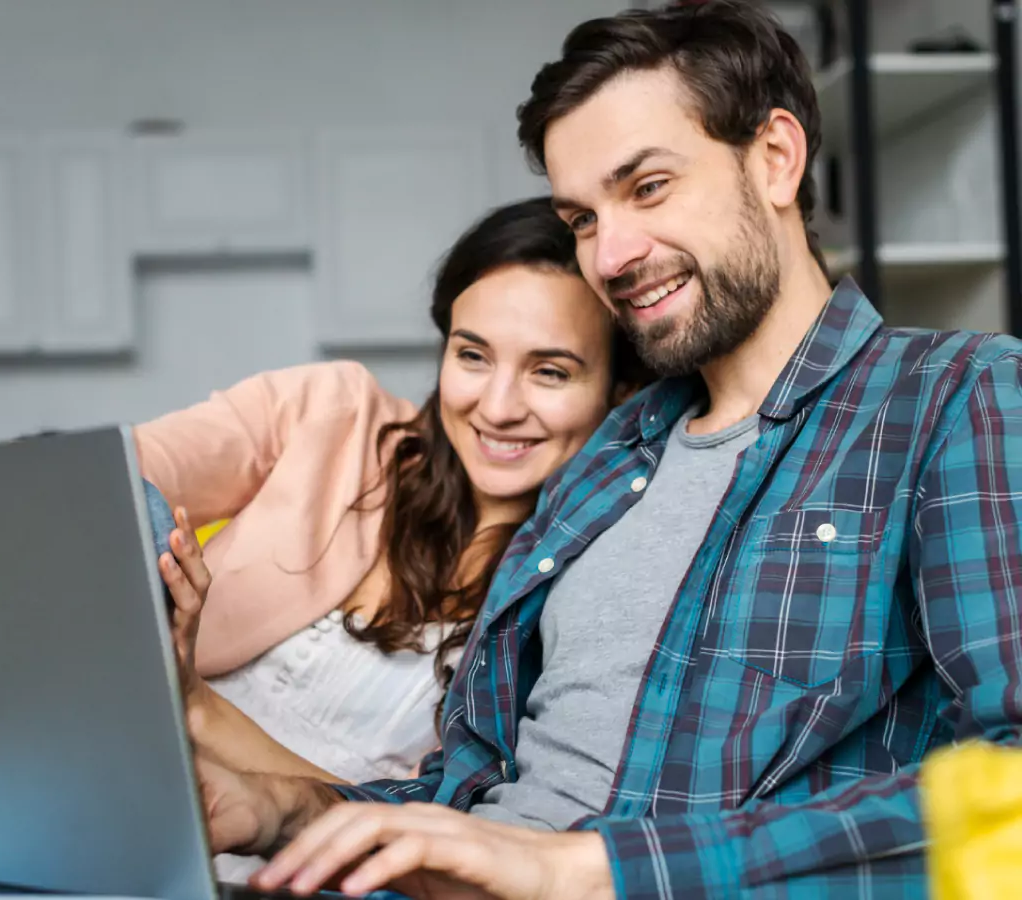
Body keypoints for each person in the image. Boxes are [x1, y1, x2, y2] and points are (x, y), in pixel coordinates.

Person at [180, 4, 1022, 899]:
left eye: (648, 187)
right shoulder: (610, 456)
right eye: (581, 218)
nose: (612, 254)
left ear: (775, 158)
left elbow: (1011, 792)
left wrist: (587, 871)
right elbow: (471, 802)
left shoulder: (953, 396)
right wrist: (285, 811)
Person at [0, 197, 647, 895]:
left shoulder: (584, 583)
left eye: (550, 371)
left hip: (264, 860)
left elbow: (428, 829)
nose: (497, 405)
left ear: (618, 389)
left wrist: (193, 705)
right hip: (97, 784)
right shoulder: (339, 414)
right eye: (472, 356)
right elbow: (99, 485)